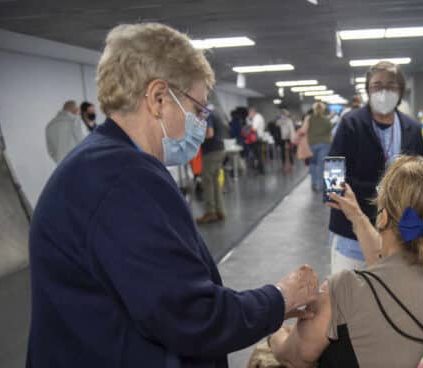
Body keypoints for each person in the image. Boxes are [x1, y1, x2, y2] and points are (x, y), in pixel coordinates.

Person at [27, 23, 319, 368]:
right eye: (198, 108)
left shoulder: (99, 163)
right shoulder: (123, 180)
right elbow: (191, 317)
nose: (202, 122)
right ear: (159, 98)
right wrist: (280, 297)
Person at [268, 156, 423, 367]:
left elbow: (295, 356)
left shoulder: (343, 288)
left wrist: (273, 332)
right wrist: (358, 217)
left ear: (382, 217)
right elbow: (388, 273)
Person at [328, 61, 423, 273]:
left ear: (400, 90)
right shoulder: (351, 123)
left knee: (390, 294)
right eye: (377, 85)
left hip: (399, 233)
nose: (384, 91)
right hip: (353, 232)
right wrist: (337, 197)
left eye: (391, 85)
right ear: (368, 90)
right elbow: (333, 170)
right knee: (351, 295)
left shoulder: (412, 128)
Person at [196, 112, 226, 224]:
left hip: (211, 152)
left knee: (207, 182)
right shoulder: (215, 115)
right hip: (219, 150)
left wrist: (196, 137)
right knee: (215, 182)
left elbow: (209, 133)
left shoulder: (206, 116)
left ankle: (210, 213)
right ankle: (220, 211)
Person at [306, 101, 332, 191]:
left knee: (313, 164)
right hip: (324, 144)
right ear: (323, 109)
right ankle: (319, 185)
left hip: (312, 144)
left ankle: (313, 183)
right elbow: (330, 130)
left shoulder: (309, 119)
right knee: (321, 165)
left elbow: (305, 129)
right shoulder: (326, 119)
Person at [276, 108, 296, 172]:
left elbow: (292, 130)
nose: (283, 115)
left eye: (284, 114)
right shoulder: (278, 121)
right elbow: (277, 128)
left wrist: (293, 139)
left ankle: (291, 165)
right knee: (282, 152)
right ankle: (284, 165)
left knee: (289, 152)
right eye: (282, 114)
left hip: (288, 138)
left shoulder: (289, 121)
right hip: (281, 139)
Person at [248, 107, 266, 174]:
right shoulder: (258, 117)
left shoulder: (256, 118)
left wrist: (248, 128)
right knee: (258, 155)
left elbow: (254, 129)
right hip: (259, 138)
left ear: (253, 112)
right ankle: (260, 169)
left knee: (258, 155)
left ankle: (260, 170)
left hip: (257, 139)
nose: (249, 114)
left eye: (250, 113)